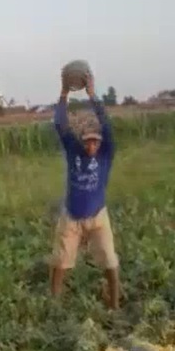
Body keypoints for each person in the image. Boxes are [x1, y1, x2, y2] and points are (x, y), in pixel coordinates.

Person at [49, 72, 120, 309]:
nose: (91, 145)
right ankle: (55, 305)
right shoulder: (73, 149)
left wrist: (92, 95)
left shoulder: (106, 154)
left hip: (98, 216)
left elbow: (107, 125)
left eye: (95, 141)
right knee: (61, 261)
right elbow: (60, 123)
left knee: (110, 261)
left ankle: (115, 304)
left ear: (100, 142)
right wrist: (63, 93)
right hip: (72, 216)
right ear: (82, 139)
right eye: (87, 141)